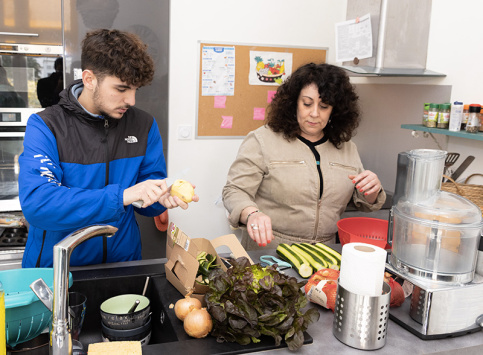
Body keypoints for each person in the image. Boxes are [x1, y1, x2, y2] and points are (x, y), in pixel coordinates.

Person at [19, 29, 198, 268]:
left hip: (122, 267)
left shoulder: (144, 125)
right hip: (59, 270)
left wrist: (160, 198)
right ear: (89, 79)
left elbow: (145, 193)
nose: (131, 101)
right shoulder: (46, 126)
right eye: (121, 89)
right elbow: (39, 204)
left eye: (136, 90)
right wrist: (123, 196)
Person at [222, 63, 386, 250]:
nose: (314, 113)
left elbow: (363, 202)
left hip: (325, 252)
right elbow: (234, 191)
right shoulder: (262, 140)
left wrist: (372, 192)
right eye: (307, 104)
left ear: (335, 110)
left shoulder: (347, 148)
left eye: (324, 106)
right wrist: (251, 214)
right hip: (270, 250)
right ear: (294, 103)